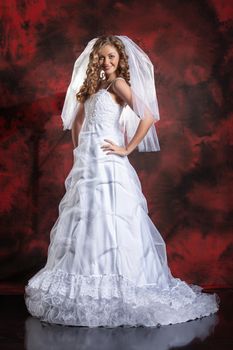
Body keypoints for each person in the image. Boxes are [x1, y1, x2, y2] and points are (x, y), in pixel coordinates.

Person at [24, 35, 219, 328]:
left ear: (120, 60)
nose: (106, 62)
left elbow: (149, 116)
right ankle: (86, 282)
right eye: (102, 57)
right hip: (88, 163)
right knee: (85, 219)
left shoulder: (118, 84)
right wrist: (79, 150)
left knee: (112, 219)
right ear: (95, 59)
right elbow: (78, 121)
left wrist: (126, 148)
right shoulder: (93, 86)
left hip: (109, 163)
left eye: (112, 57)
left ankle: (118, 283)